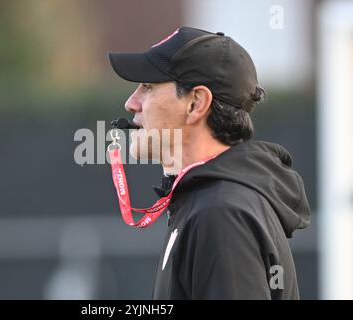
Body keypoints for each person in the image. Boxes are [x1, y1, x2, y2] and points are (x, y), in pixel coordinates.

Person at [108, 27, 311, 299]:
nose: (131, 103)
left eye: (148, 86)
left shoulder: (220, 213)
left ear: (196, 103)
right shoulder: (208, 203)